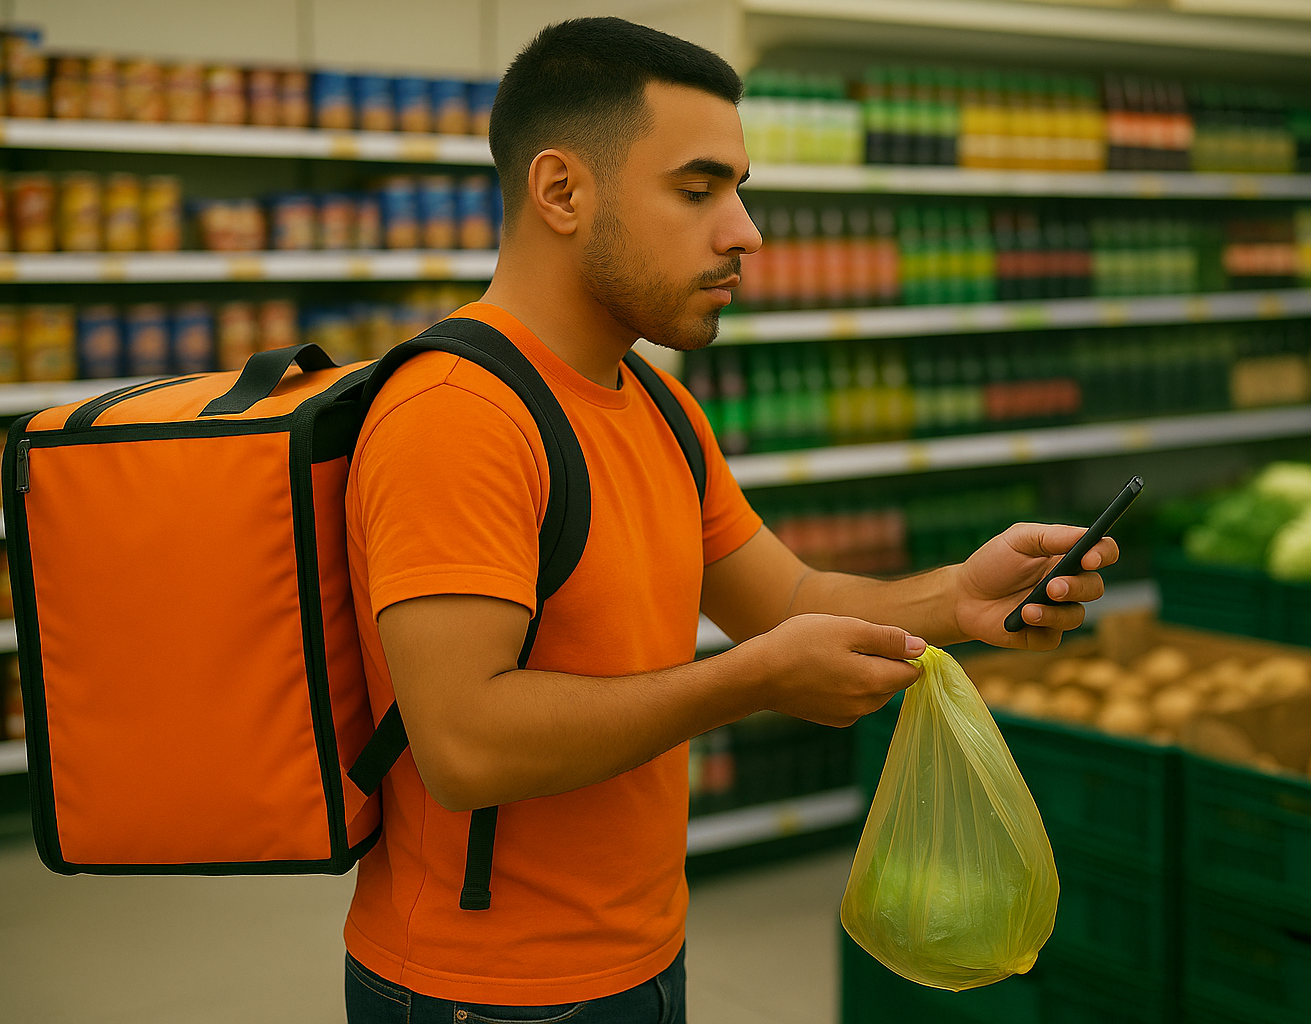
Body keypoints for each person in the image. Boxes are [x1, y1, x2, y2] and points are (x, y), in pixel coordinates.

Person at [342, 16, 1117, 1024]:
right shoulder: (459, 415)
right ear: (561, 191)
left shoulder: (656, 405)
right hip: (482, 993)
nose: (745, 230)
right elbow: (466, 746)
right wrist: (752, 681)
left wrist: (957, 600)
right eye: (699, 191)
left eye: (738, 191)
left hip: (639, 951)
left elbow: (784, 597)